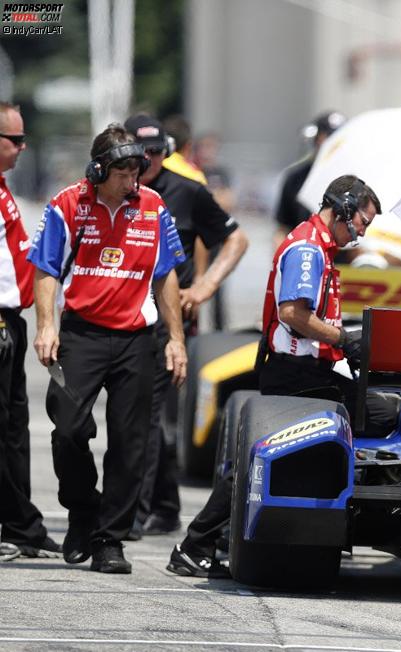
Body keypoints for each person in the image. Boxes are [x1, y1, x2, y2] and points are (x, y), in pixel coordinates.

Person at [166, 174, 399, 577]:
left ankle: (208, 541)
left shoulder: (319, 246)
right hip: (295, 375)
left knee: (264, 456)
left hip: (303, 371)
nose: (363, 232)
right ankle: (197, 543)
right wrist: (345, 339)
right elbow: (293, 314)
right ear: (343, 209)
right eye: (363, 221)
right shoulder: (308, 250)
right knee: (378, 415)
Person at [27, 124, 188, 573]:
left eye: (137, 171)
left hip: (138, 339)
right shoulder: (67, 205)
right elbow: (45, 269)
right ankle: (82, 511)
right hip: (81, 336)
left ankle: (109, 540)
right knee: (69, 430)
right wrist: (46, 326)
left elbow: (167, 275)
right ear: (98, 170)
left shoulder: (153, 207)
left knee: (131, 444)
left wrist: (175, 340)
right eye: (122, 173)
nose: (132, 181)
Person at [123, 114, 250, 538]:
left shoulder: (187, 190)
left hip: (167, 321)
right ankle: (164, 505)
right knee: (139, 417)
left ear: (168, 151)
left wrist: (205, 287)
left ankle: (134, 512)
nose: (148, 160)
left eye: (157, 152)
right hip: (118, 316)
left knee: (151, 414)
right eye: (140, 153)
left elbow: (236, 239)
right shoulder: (114, 190)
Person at [0, 102, 61, 561]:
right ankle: (19, 524)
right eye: (14, 140)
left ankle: (21, 527)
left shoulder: (3, 189)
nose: (22, 147)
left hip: (12, 324)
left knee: (16, 430)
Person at [273, 111, 346, 246]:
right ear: (317, 138)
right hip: (305, 258)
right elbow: (283, 227)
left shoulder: (356, 180)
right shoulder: (296, 178)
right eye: (328, 136)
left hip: (345, 264)